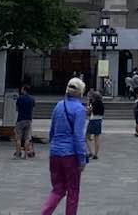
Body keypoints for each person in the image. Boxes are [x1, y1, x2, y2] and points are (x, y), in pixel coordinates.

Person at [41, 77, 87, 215]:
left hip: (55, 153)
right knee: (73, 190)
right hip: (70, 155)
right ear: (80, 92)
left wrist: (54, 147)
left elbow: (52, 131)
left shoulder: (59, 106)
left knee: (58, 189)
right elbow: (78, 136)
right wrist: (82, 158)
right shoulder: (80, 109)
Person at [14, 83, 36, 159]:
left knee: (18, 138)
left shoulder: (20, 98)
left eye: (22, 89)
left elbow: (17, 109)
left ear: (24, 90)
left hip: (20, 119)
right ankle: (26, 155)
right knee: (27, 138)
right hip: (28, 120)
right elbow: (33, 110)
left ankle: (18, 154)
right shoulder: (32, 99)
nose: (21, 90)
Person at [85, 90, 104, 160]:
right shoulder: (102, 104)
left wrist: (88, 105)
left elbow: (88, 112)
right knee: (97, 138)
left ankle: (91, 152)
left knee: (86, 137)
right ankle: (96, 154)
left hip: (93, 121)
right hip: (99, 121)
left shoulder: (93, 104)